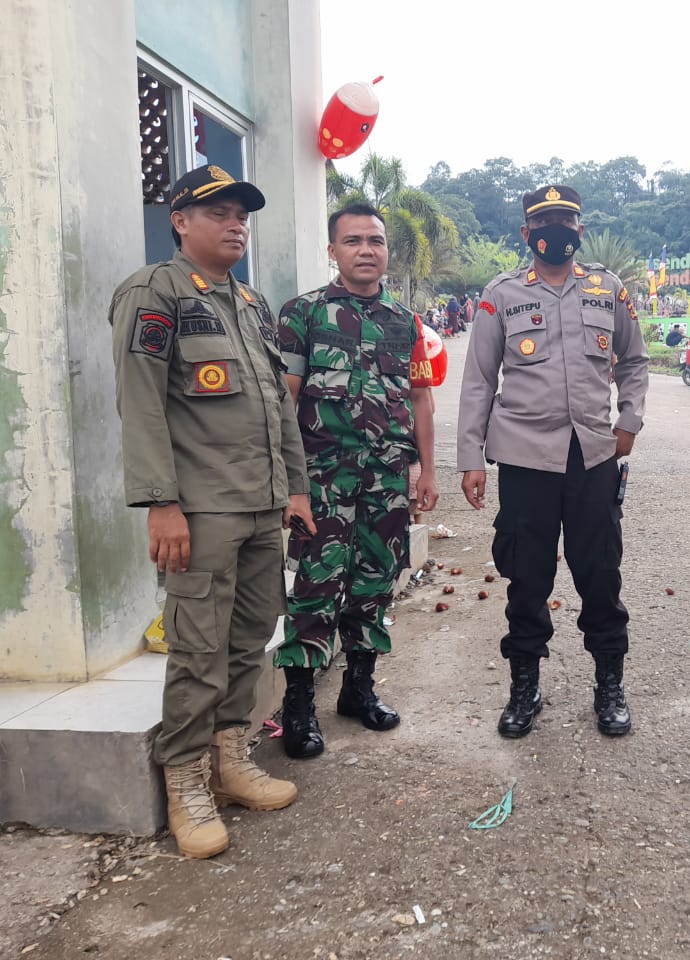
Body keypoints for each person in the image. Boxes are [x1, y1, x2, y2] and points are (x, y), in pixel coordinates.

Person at [110, 165, 313, 859]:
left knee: (250, 636)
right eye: (219, 212)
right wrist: (159, 503)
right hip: (199, 511)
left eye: (242, 215)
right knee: (197, 649)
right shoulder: (154, 293)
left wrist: (296, 486)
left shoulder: (251, 304)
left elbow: (275, 405)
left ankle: (231, 762)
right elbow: (140, 404)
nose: (236, 225)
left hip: (260, 503)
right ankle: (186, 783)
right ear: (180, 221)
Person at [457, 184, 648, 739]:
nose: (555, 230)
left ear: (580, 229)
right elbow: (477, 382)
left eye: (565, 221)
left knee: (600, 573)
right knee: (527, 577)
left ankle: (608, 686)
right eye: (544, 222)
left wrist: (628, 422)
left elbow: (634, 361)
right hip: (523, 458)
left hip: (592, 455)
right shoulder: (501, 294)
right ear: (526, 233)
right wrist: (470, 457)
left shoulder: (608, 290)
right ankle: (525, 688)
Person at [274, 203, 439, 760]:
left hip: (386, 481)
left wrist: (426, 470)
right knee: (316, 590)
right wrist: (291, 487)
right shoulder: (303, 315)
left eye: (375, 240)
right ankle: (298, 704)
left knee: (373, 584)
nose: (366, 250)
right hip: (322, 482)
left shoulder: (405, 322)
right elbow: (286, 403)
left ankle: (357, 689)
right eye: (353, 241)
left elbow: (419, 400)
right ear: (332, 250)